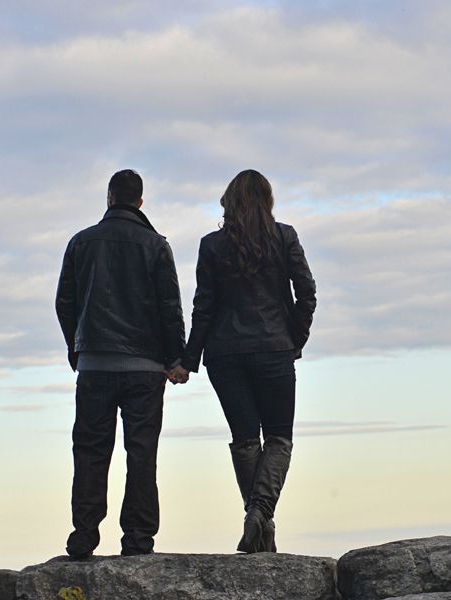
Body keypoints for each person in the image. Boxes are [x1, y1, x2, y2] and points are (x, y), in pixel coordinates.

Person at [168, 169, 316, 553]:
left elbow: (204, 307)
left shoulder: (212, 245)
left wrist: (188, 359)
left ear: (228, 202)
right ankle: (260, 512)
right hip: (273, 349)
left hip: (225, 354)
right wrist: (294, 338)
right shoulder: (285, 236)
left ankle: (257, 520)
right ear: (267, 200)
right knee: (279, 437)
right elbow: (307, 291)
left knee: (246, 439)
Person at [55, 169, 186, 559]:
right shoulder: (156, 245)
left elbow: (65, 302)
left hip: (94, 366)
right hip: (145, 370)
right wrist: (175, 358)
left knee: (91, 451)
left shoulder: (81, 242)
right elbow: (170, 309)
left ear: (110, 198)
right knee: (142, 453)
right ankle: (138, 539)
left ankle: (84, 534)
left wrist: (78, 351)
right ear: (140, 202)